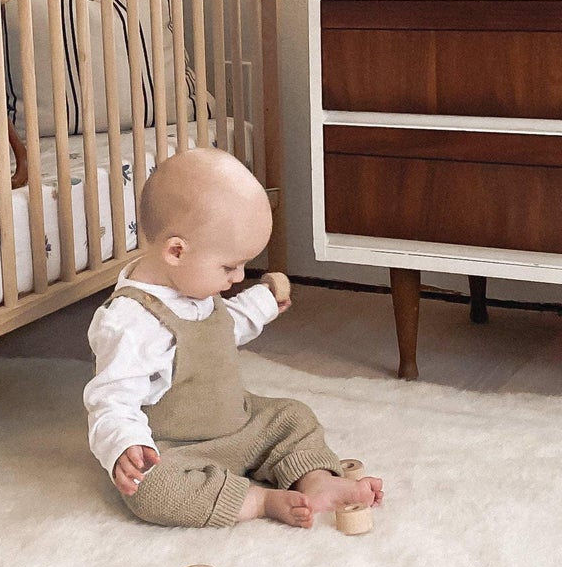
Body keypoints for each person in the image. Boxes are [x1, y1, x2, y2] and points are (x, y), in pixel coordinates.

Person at [84, 146, 384, 528]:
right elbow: (110, 401)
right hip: (177, 450)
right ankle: (258, 500)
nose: (238, 277)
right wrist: (125, 446)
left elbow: (226, 327)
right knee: (151, 490)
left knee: (293, 416)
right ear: (176, 251)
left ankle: (317, 480)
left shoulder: (195, 286)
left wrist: (264, 301)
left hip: (240, 426)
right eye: (230, 266)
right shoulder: (130, 321)